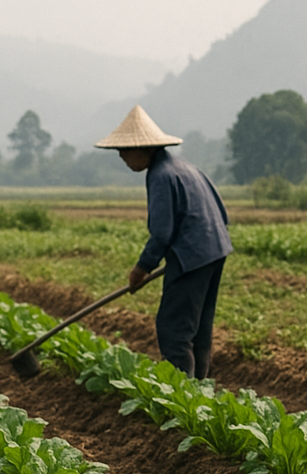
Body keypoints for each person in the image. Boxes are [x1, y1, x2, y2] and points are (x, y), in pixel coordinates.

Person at [96, 106, 232, 379]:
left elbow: (162, 232)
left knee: (174, 331)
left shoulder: (161, 176)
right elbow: (221, 211)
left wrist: (141, 268)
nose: (121, 156)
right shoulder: (185, 168)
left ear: (146, 148)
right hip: (215, 249)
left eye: (126, 150)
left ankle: (184, 399)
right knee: (199, 331)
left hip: (192, 255)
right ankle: (200, 394)